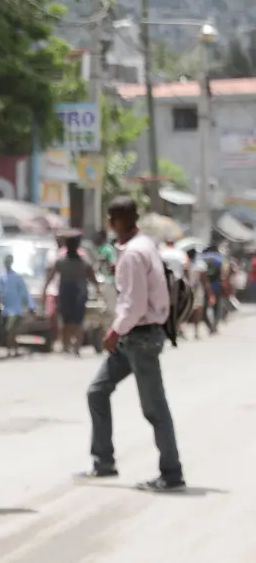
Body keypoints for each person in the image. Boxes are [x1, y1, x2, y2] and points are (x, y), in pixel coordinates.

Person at [78, 196, 184, 492]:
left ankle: (172, 472)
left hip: (140, 336)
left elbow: (135, 304)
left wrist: (114, 331)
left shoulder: (135, 253)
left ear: (119, 221)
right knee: (97, 392)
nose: (109, 226)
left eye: (111, 220)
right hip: (135, 336)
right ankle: (103, 462)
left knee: (155, 408)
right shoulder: (142, 245)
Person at [46, 235, 95, 357]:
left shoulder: (75, 261)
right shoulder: (65, 261)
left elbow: (92, 276)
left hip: (74, 294)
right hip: (74, 294)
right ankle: (70, 346)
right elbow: (92, 277)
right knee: (72, 321)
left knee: (72, 321)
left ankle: (71, 346)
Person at [0, 253, 34, 357]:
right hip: (5, 309)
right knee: (8, 332)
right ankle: (13, 350)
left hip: (16, 309)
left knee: (10, 330)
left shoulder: (17, 277)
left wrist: (30, 306)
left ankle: (12, 351)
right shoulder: (2, 277)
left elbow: (24, 292)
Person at [185, 247, 212, 339]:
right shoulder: (201, 265)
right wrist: (209, 294)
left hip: (188, 290)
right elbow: (205, 282)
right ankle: (196, 331)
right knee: (198, 311)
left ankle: (183, 330)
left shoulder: (187, 264)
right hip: (197, 291)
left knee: (188, 309)